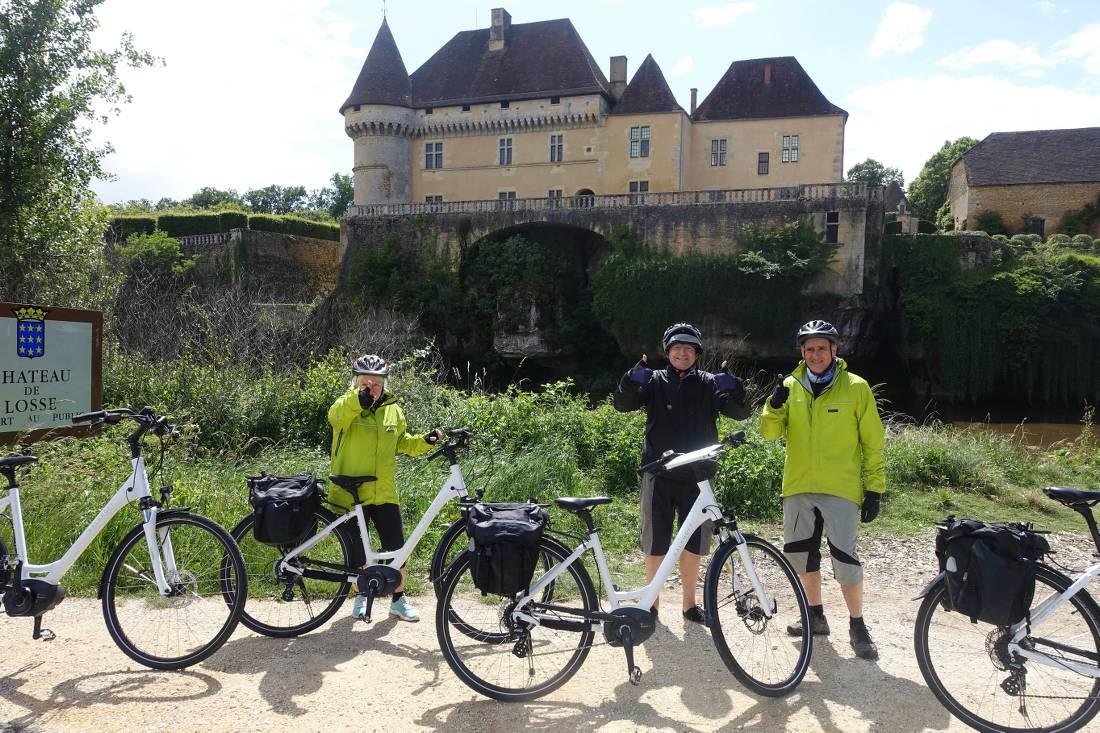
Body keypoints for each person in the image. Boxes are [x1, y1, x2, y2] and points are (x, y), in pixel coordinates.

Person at [760, 320, 885, 660]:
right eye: (809, 349)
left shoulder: (856, 387)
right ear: (802, 352)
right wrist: (773, 405)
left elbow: (873, 442)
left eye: (822, 348)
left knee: (845, 557)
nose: (816, 355)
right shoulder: (790, 385)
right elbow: (770, 434)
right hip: (799, 486)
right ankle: (815, 616)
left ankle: (857, 625)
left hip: (839, 488)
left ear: (834, 350)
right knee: (801, 555)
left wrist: (874, 488)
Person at [614, 322, 751, 624]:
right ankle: (651, 604)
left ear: (697, 353)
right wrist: (628, 382)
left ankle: (689, 604)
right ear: (668, 351)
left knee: (693, 543)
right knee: (655, 541)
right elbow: (622, 405)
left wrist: (738, 389)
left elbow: (741, 412)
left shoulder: (709, 383)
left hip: (698, 476)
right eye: (677, 348)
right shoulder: (652, 381)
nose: (683, 353)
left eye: (689, 348)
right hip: (658, 474)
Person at [328, 354, 442, 622]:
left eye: (377, 384)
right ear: (355, 382)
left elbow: (403, 443)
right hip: (351, 493)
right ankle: (361, 596)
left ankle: (398, 600)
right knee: (358, 552)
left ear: (385, 384)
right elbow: (336, 416)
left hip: (384, 492)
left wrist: (425, 441)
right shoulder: (346, 405)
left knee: (398, 548)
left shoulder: (394, 410)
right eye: (365, 383)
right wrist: (359, 400)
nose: (371, 388)